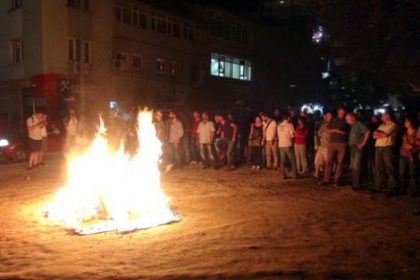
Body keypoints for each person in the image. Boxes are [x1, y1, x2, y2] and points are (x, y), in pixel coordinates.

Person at [320, 106, 348, 186]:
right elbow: (326, 130)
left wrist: (342, 132)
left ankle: (336, 181)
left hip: (342, 143)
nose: (342, 113)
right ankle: (326, 179)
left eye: (343, 112)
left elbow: (347, 132)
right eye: (341, 111)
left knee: (340, 163)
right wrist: (336, 130)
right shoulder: (333, 119)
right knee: (328, 162)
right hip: (332, 143)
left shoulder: (346, 120)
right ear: (338, 112)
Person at [373, 110, 399, 195]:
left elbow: (385, 135)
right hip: (379, 147)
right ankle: (378, 186)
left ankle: (391, 188)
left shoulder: (393, 125)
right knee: (379, 168)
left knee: (390, 168)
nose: (381, 117)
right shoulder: (381, 125)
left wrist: (380, 134)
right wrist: (381, 134)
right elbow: (374, 135)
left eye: (383, 115)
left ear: (388, 116)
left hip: (387, 148)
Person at [346, 112, 370, 190]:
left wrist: (363, 143)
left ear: (353, 118)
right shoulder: (353, 126)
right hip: (353, 146)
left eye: (348, 119)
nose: (347, 121)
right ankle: (355, 182)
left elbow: (367, 131)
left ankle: (357, 184)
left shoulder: (359, 124)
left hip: (357, 147)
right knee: (353, 165)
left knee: (356, 165)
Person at [399, 117, 418, 196]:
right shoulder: (405, 132)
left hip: (412, 155)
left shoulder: (416, 132)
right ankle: (402, 189)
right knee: (402, 172)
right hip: (403, 154)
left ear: (412, 122)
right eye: (405, 121)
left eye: (407, 121)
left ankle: (413, 190)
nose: (405, 123)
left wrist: (413, 147)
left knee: (413, 173)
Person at [277, 114, 298, 179]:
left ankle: (283, 175)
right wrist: (295, 134)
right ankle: (295, 175)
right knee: (292, 160)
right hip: (288, 144)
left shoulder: (279, 125)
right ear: (288, 118)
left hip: (281, 144)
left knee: (282, 161)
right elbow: (292, 135)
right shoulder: (289, 125)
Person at [314, 111, 332, 179]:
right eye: (326, 115)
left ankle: (327, 175)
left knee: (327, 161)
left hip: (328, 146)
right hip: (322, 145)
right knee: (317, 160)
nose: (326, 117)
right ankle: (316, 173)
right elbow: (319, 133)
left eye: (328, 115)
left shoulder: (333, 125)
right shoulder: (323, 125)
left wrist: (326, 132)